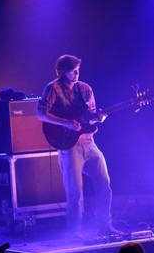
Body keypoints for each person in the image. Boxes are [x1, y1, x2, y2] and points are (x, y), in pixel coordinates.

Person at [36, 54, 116, 236]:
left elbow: (90, 118)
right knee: (75, 192)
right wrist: (65, 123)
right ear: (62, 71)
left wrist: (98, 118)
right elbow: (41, 114)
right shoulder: (52, 88)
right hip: (69, 146)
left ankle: (105, 224)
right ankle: (74, 231)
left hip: (89, 143)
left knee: (104, 183)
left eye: (78, 70)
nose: (76, 74)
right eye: (73, 71)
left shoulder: (86, 89)